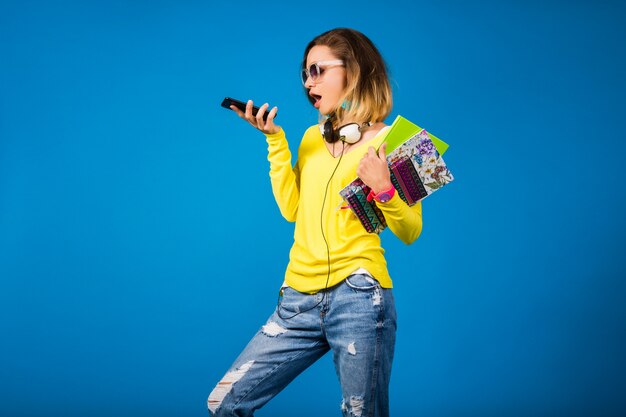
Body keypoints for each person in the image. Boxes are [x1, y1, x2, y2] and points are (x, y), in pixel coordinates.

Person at [208, 28, 423, 417]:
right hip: (297, 300)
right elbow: (292, 209)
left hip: (359, 297)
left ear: (353, 71)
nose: (309, 82)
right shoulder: (310, 137)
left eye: (318, 70)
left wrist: (384, 190)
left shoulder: (400, 142)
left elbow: (410, 231)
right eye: (305, 74)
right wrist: (275, 141)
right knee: (225, 403)